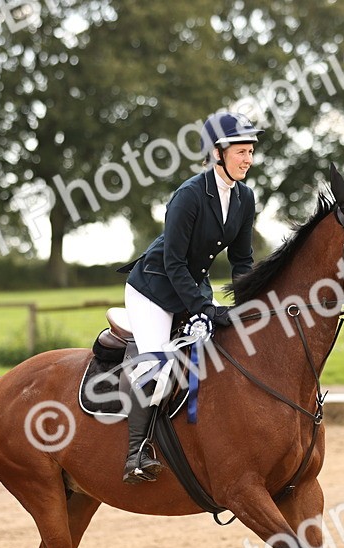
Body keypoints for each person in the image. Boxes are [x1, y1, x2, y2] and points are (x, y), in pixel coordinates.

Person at [117, 111, 263, 483]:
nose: (248, 159)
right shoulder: (189, 195)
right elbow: (173, 260)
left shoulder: (245, 198)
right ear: (217, 153)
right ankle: (136, 453)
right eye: (242, 152)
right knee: (157, 368)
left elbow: (242, 260)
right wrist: (203, 308)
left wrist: (244, 305)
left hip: (191, 286)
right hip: (153, 288)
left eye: (251, 151)